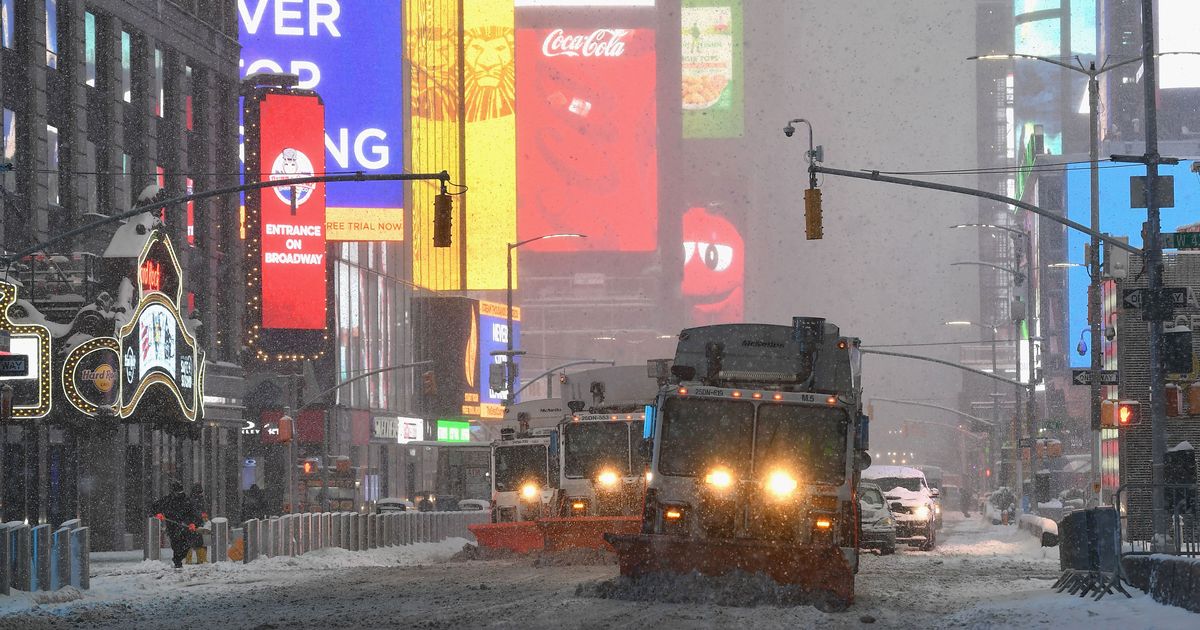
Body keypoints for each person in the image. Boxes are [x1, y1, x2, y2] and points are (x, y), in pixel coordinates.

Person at [152, 480, 203, 569]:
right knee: (177, 545)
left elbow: (195, 514)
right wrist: (157, 513)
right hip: (173, 527)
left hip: (185, 527)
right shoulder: (168, 500)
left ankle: (178, 560)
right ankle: (177, 561)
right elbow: (154, 507)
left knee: (184, 546)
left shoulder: (187, 501)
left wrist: (194, 523)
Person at [187, 482, 209, 564]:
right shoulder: (195, 499)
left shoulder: (194, 498)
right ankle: (200, 559)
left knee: (192, 542)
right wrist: (202, 515)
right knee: (197, 542)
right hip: (195, 523)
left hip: (193, 523)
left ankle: (191, 560)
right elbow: (195, 510)